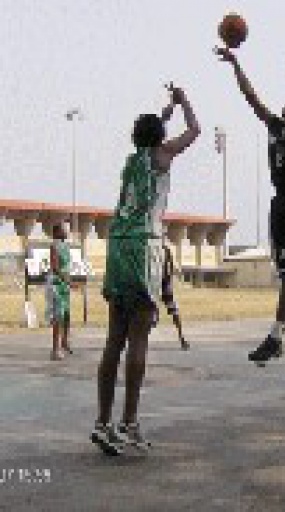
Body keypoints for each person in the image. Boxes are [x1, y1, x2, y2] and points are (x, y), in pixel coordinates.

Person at [91, 84, 200, 456]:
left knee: (114, 340)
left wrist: (166, 109)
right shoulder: (163, 155)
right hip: (143, 247)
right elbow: (195, 131)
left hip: (118, 244)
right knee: (139, 338)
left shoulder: (132, 159)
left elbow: (153, 131)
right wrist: (185, 102)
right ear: (160, 138)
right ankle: (130, 422)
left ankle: (103, 423)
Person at [216, 47, 285, 371]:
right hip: (280, 201)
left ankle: (277, 338)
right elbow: (251, 97)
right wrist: (236, 64)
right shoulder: (276, 126)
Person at [47, 223, 72, 360]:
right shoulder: (54, 246)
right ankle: (55, 350)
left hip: (65, 285)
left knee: (67, 315)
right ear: (57, 232)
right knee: (58, 316)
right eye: (64, 229)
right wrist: (67, 280)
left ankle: (65, 342)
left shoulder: (66, 246)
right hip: (57, 284)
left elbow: (67, 267)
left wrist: (69, 281)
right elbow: (55, 267)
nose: (67, 231)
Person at [161, 243, 190, 350]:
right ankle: (182, 338)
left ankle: (182, 338)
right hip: (161, 285)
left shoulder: (164, 249)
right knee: (174, 312)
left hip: (161, 285)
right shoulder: (164, 249)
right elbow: (171, 267)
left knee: (174, 312)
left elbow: (171, 266)